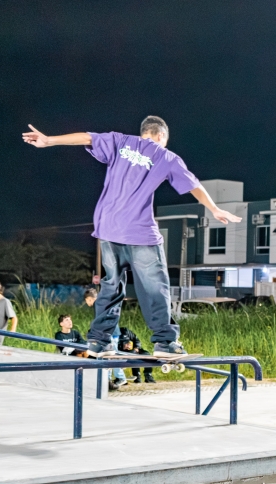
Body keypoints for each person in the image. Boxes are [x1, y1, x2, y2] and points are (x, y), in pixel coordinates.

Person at [23, 116, 242, 357]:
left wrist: (49, 140)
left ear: (143, 132)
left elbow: (87, 137)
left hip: (108, 230)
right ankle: (165, 343)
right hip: (139, 233)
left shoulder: (120, 141)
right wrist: (214, 209)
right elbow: (194, 185)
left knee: (111, 285)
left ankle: (98, 341)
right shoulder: (165, 156)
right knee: (154, 287)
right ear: (161, 135)